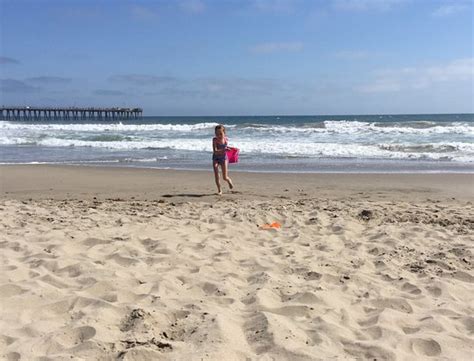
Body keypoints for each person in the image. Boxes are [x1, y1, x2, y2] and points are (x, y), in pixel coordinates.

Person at [212, 124, 234, 195]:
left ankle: (229, 180)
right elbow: (215, 151)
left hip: (223, 158)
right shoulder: (214, 140)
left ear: (224, 133)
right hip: (216, 158)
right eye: (217, 134)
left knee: (224, 177)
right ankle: (219, 190)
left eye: (220, 134)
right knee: (216, 174)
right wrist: (224, 149)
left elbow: (226, 149)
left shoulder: (226, 140)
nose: (219, 135)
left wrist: (228, 149)